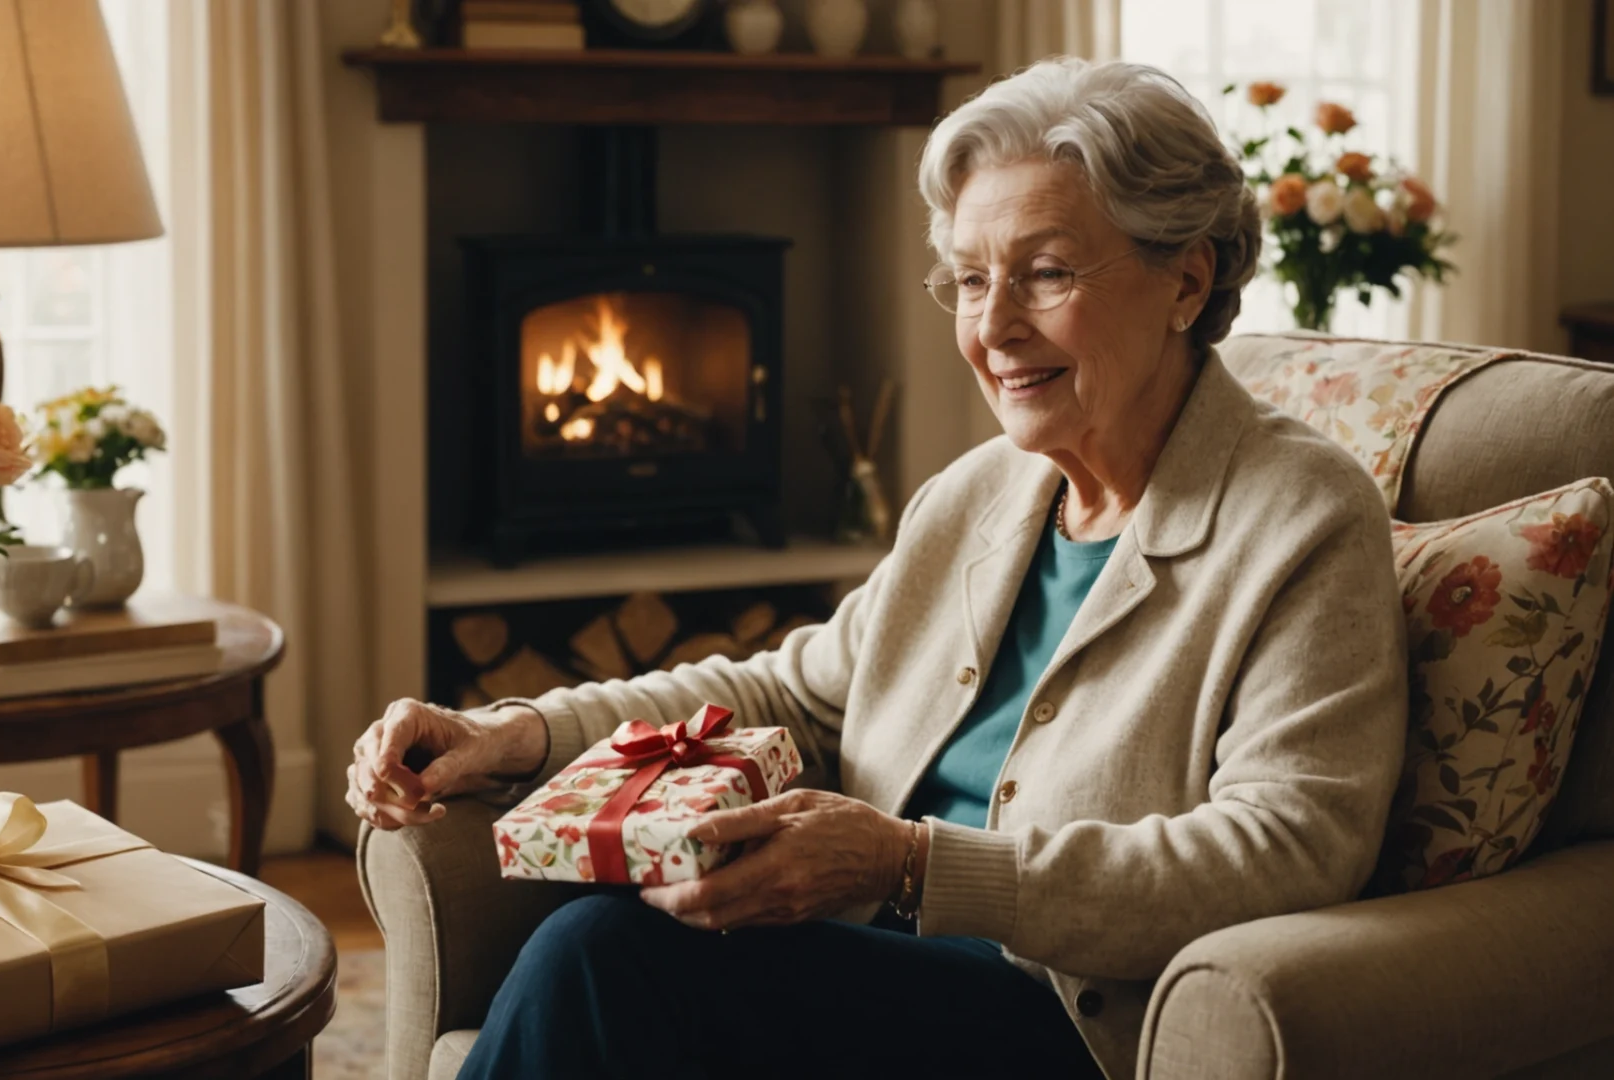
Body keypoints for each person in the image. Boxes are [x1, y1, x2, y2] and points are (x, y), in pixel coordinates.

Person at [347, 57, 1408, 1080]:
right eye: (971, 279)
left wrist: (909, 864)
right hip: (868, 962)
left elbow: (1288, 846)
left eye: (1045, 274)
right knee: (621, 917)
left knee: (605, 958)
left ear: (1186, 279)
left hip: (1069, 1015)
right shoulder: (983, 494)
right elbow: (792, 693)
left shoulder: (1301, 518)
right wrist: (514, 733)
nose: (992, 328)